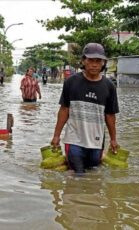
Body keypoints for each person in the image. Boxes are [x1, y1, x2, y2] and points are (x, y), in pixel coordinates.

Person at [50, 43, 119, 174]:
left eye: (98, 61)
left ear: (103, 63)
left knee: (93, 176)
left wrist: (113, 139)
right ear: (83, 61)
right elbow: (64, 110)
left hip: (97, 142)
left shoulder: (109, 86)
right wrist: (56, 136)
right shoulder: (71, 82)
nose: (94, 64)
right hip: (74, 140)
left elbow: (110, 115)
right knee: (78, 175)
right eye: (90, 60)